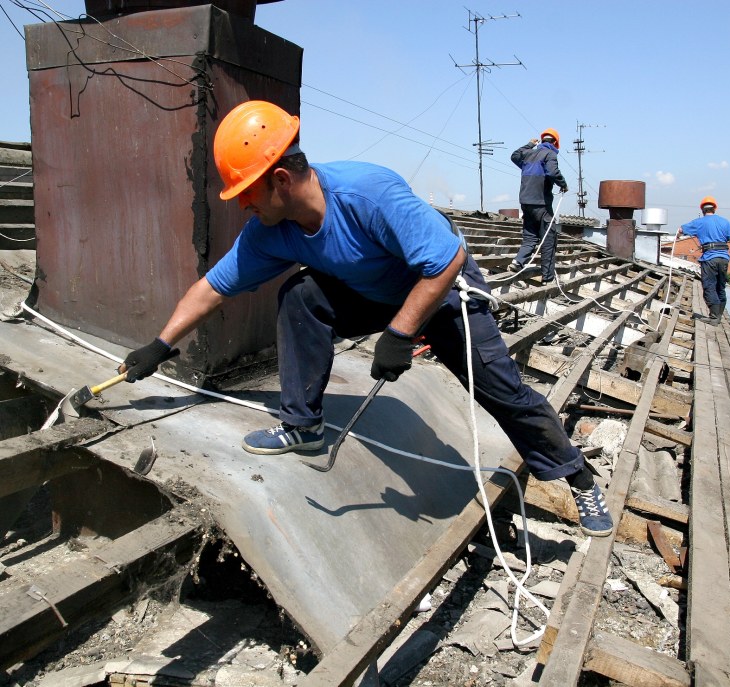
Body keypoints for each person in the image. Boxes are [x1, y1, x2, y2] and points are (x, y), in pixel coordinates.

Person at [118, 101, 613, 537]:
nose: (244, 205)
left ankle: (577, 477)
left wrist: (400, 334)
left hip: (443, 292)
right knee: (302, 292)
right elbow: (211, 288)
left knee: (502, 392)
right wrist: (160, 345)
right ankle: (302, 425)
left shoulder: (367, 192)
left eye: (248, 192)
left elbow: (444, 262)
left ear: (282, 180)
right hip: (375, 294)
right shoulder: (270, 231)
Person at [507, 128, 569, 283]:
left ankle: (518, 262)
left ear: (542, 141)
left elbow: (514, 155)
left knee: (530, 236)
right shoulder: (550, 154)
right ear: (555, 142)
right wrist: (563, 184)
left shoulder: (529, 154)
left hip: (525, 202)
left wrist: (528, 145)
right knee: (548, 238)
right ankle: (547, 277)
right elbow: (552, 172)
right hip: (541, 203)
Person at [676, 196, 730, 324]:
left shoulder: (699, 222)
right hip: (723, 258)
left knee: (709, 286)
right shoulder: (725, 222)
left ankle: (714, 317)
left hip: (709, 258)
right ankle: (719, 315)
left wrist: (678, 234)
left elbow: (681, 229)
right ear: (714, 209)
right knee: (720, 287)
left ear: (703, 210)